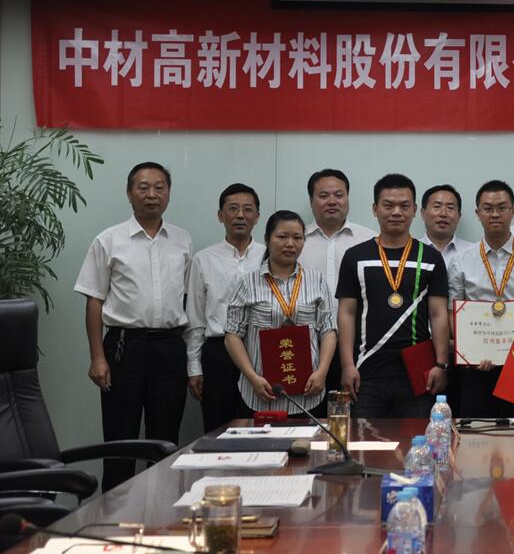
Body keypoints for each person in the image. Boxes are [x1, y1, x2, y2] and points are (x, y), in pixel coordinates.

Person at [75, 162, 192, 491]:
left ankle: (162, 510)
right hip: (124, 347)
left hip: (170, 347)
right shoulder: (109, 240)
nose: (152, 194)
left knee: (165, 439)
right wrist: (97, 357)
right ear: (129, 194)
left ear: (168, 193)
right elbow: (94, 301)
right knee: (120, 438)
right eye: (143, 187)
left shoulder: (182, 240)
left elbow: (186, 298)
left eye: (159, 187)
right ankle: (114, 513)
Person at [336, 174, 451, 418]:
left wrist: (441, 364)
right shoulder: (356, 256)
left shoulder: (430, 258)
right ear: (375, 209)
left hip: (418, 371)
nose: (396, 212)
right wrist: (347, 364)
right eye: (388, 205)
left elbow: (438, 313)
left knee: (415, 438)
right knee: (363, 439)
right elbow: (346, 312)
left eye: (404, 206)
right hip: (366, 371)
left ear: (415, 210)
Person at [223, 210, 336, 416]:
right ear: (267, 240)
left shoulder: (316, 280)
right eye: (282, 237)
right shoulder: (247, 282)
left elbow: (328, 330)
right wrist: (252, 377)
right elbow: (232, 335)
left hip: (308, 393)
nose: (290, 244)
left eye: (297, 238)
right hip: (260, 392)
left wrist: (322, 372)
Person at [447, 180, 514, 417]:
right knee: (478, 431)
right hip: (477, 363)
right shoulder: (461, 260)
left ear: (513, 211)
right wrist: (469, 351)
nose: (495, 214)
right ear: (478, 213)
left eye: (502, 207)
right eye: (488, 208)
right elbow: (453, 312)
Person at [184, 183, 264, 432]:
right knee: (218, 427)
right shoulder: (203, 259)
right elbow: (195, 318)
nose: (240, 215)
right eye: (233, 209)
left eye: (247, 209)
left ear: (257, 216)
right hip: (218, 354)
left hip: (261, 351)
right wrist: (194, 367)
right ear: (220, 215)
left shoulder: (269, 257)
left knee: (261, 426)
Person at [300, 168, 377, 294]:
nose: (332, 202)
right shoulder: (296, 241)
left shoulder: (370, 240)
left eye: (339, 195)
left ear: (347, 198)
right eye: (324, 196)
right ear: (311, 201)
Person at [420, 184, 474, 264]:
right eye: (437, 206)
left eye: (450, 208)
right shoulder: (410, 251)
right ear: (423, 213)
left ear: (459, 216)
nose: (443, 214)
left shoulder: (473, 252)